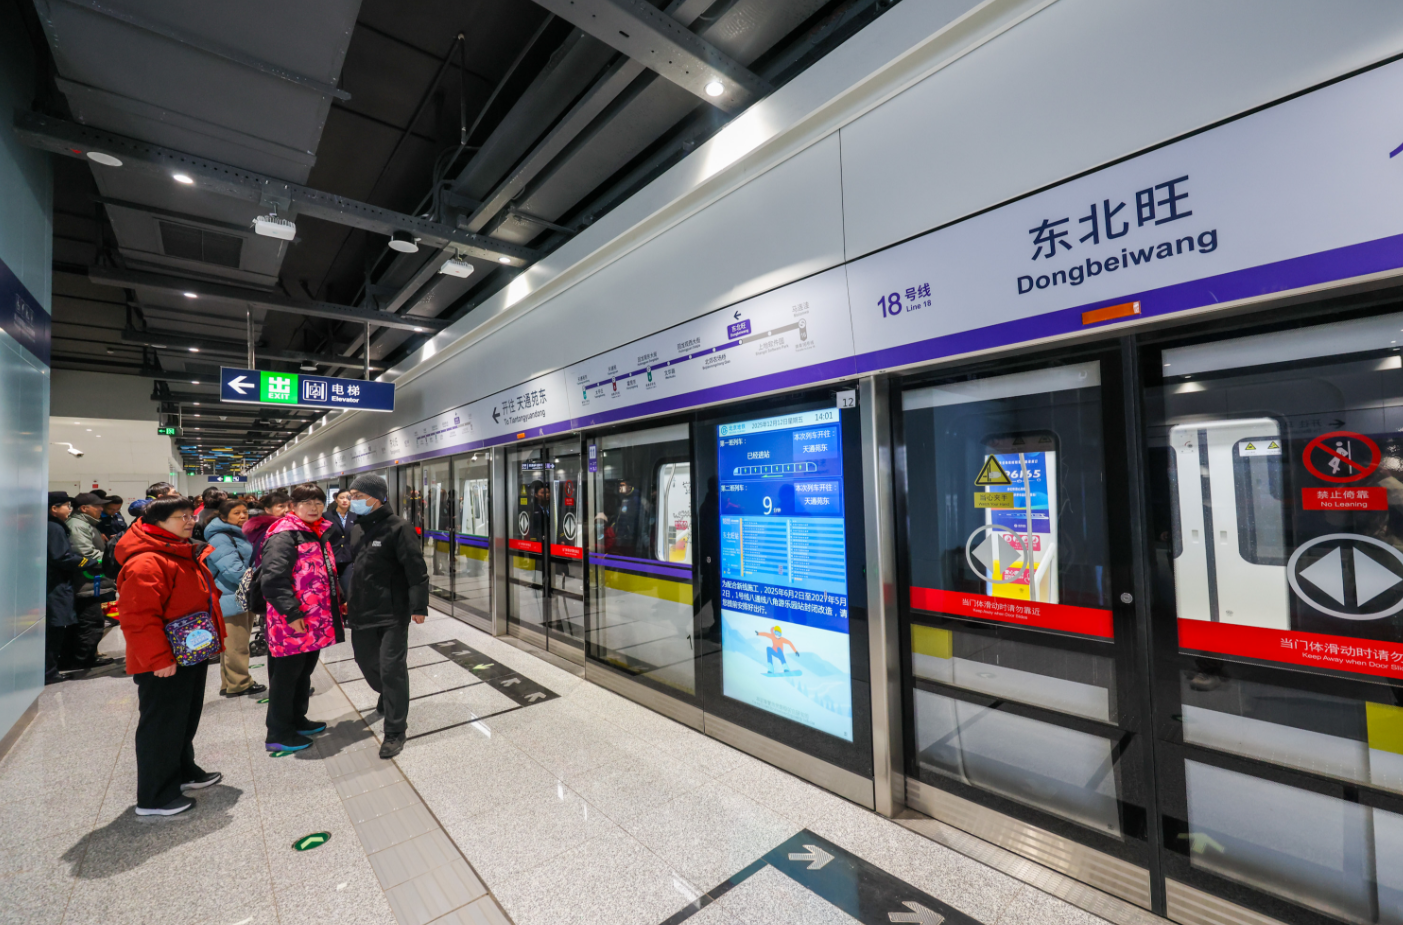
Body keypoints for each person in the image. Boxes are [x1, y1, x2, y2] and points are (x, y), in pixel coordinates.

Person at [114, 495, 226, 816]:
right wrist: (159, 659)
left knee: (184, 718)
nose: (190, 521)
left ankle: (182, 771)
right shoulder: (147, 561)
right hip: (165, 659)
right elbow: (138, 617)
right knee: (162, 724)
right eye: (182, 517)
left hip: (189, 651)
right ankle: (155, 796)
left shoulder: (178, 550)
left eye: (191, 515)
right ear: (158, 523)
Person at [345, 474, 429, 759]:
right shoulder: (356, 528)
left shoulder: (399, 528)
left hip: (392, 611)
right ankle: (388, 693)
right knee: (365, 662)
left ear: (377, 497)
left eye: (358, 496)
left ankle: (395, 730)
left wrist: (419, 607)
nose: (353, 501)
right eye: (351, 496)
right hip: (361, 610)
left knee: (392, 668)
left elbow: (416, 569)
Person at [259, 483, 342, 752]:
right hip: (291, 622)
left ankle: (297, 719)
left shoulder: (314, 531)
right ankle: (278, 732)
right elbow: (273, 579)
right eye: (306, 503)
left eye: (318, 502)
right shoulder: (284, 535)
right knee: (286, 678)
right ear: (292, 506)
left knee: (303, 673)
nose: (314, 507)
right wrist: (291, 612)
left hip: (313, 620)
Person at [205, 499, 265, 698]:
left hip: (239, 594)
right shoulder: (220, 538)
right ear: (223, 517)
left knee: (233, 644)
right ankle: (239, 684)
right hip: (231, 596)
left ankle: (229, 683)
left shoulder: (238, 534)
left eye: (244, 512)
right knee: (236, 645)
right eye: (236, 513)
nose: (242, 516)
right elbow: (233, 570)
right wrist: (257, 582)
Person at [64, 493, 116, 670]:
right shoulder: (78, 526)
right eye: (97, 506)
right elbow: (85, 554)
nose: (101, 509)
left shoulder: (86, 524)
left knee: (89, 621)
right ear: (84, 508)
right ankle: (83, 660)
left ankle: (82, 657)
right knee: (90, 622)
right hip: (86, 583)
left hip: (91, 583)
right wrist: (112, 559)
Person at [45, 492, 84, 684]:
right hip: (55, 585)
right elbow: (61, 557)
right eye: (67, 506)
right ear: (54, 508)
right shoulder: (54, 527)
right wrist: (85, 561)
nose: (70, 509)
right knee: (54, 629)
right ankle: (50, 672)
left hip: (53, 583)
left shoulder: (51, 525)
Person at [323, 489, 356, 596]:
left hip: (348, 557)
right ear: (336, 500)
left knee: (347, 589)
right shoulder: (326, 516)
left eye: (348, 498)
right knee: (330, 589)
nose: (345, 500)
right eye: (341, 498)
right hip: (330, 557)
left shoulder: (355, 517)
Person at [243, 491, 290, 565]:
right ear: (267, 510)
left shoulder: (289, 525)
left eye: (289, 506)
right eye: (281, 506)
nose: (287, 509)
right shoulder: (269, 530)